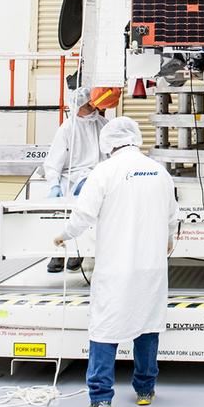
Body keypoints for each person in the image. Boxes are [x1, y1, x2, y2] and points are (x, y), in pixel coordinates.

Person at [53, 116, 178, 407]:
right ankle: (145, 390)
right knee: (147, 326)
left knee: (104, 329)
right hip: (151, 267)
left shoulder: (104, 171)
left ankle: (100, 400)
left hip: (116, 268)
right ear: (135, 139)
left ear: (108, 143)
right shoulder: (159, 171)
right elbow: (172, 216)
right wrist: (169, 240)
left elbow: (84, 214)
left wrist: (64, 235)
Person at [43, 86, 117, 273]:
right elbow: (53, 162)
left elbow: (112, 154)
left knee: (91, 217)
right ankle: (58, 253)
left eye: (92, 104)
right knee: (65, 217)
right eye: (87, 106)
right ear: (76, 108)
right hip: (71, 179)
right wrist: (54, 185)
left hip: (97, 177)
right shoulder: (67, 128)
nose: (92, 108)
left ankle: (80, 252)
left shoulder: (103, 124)